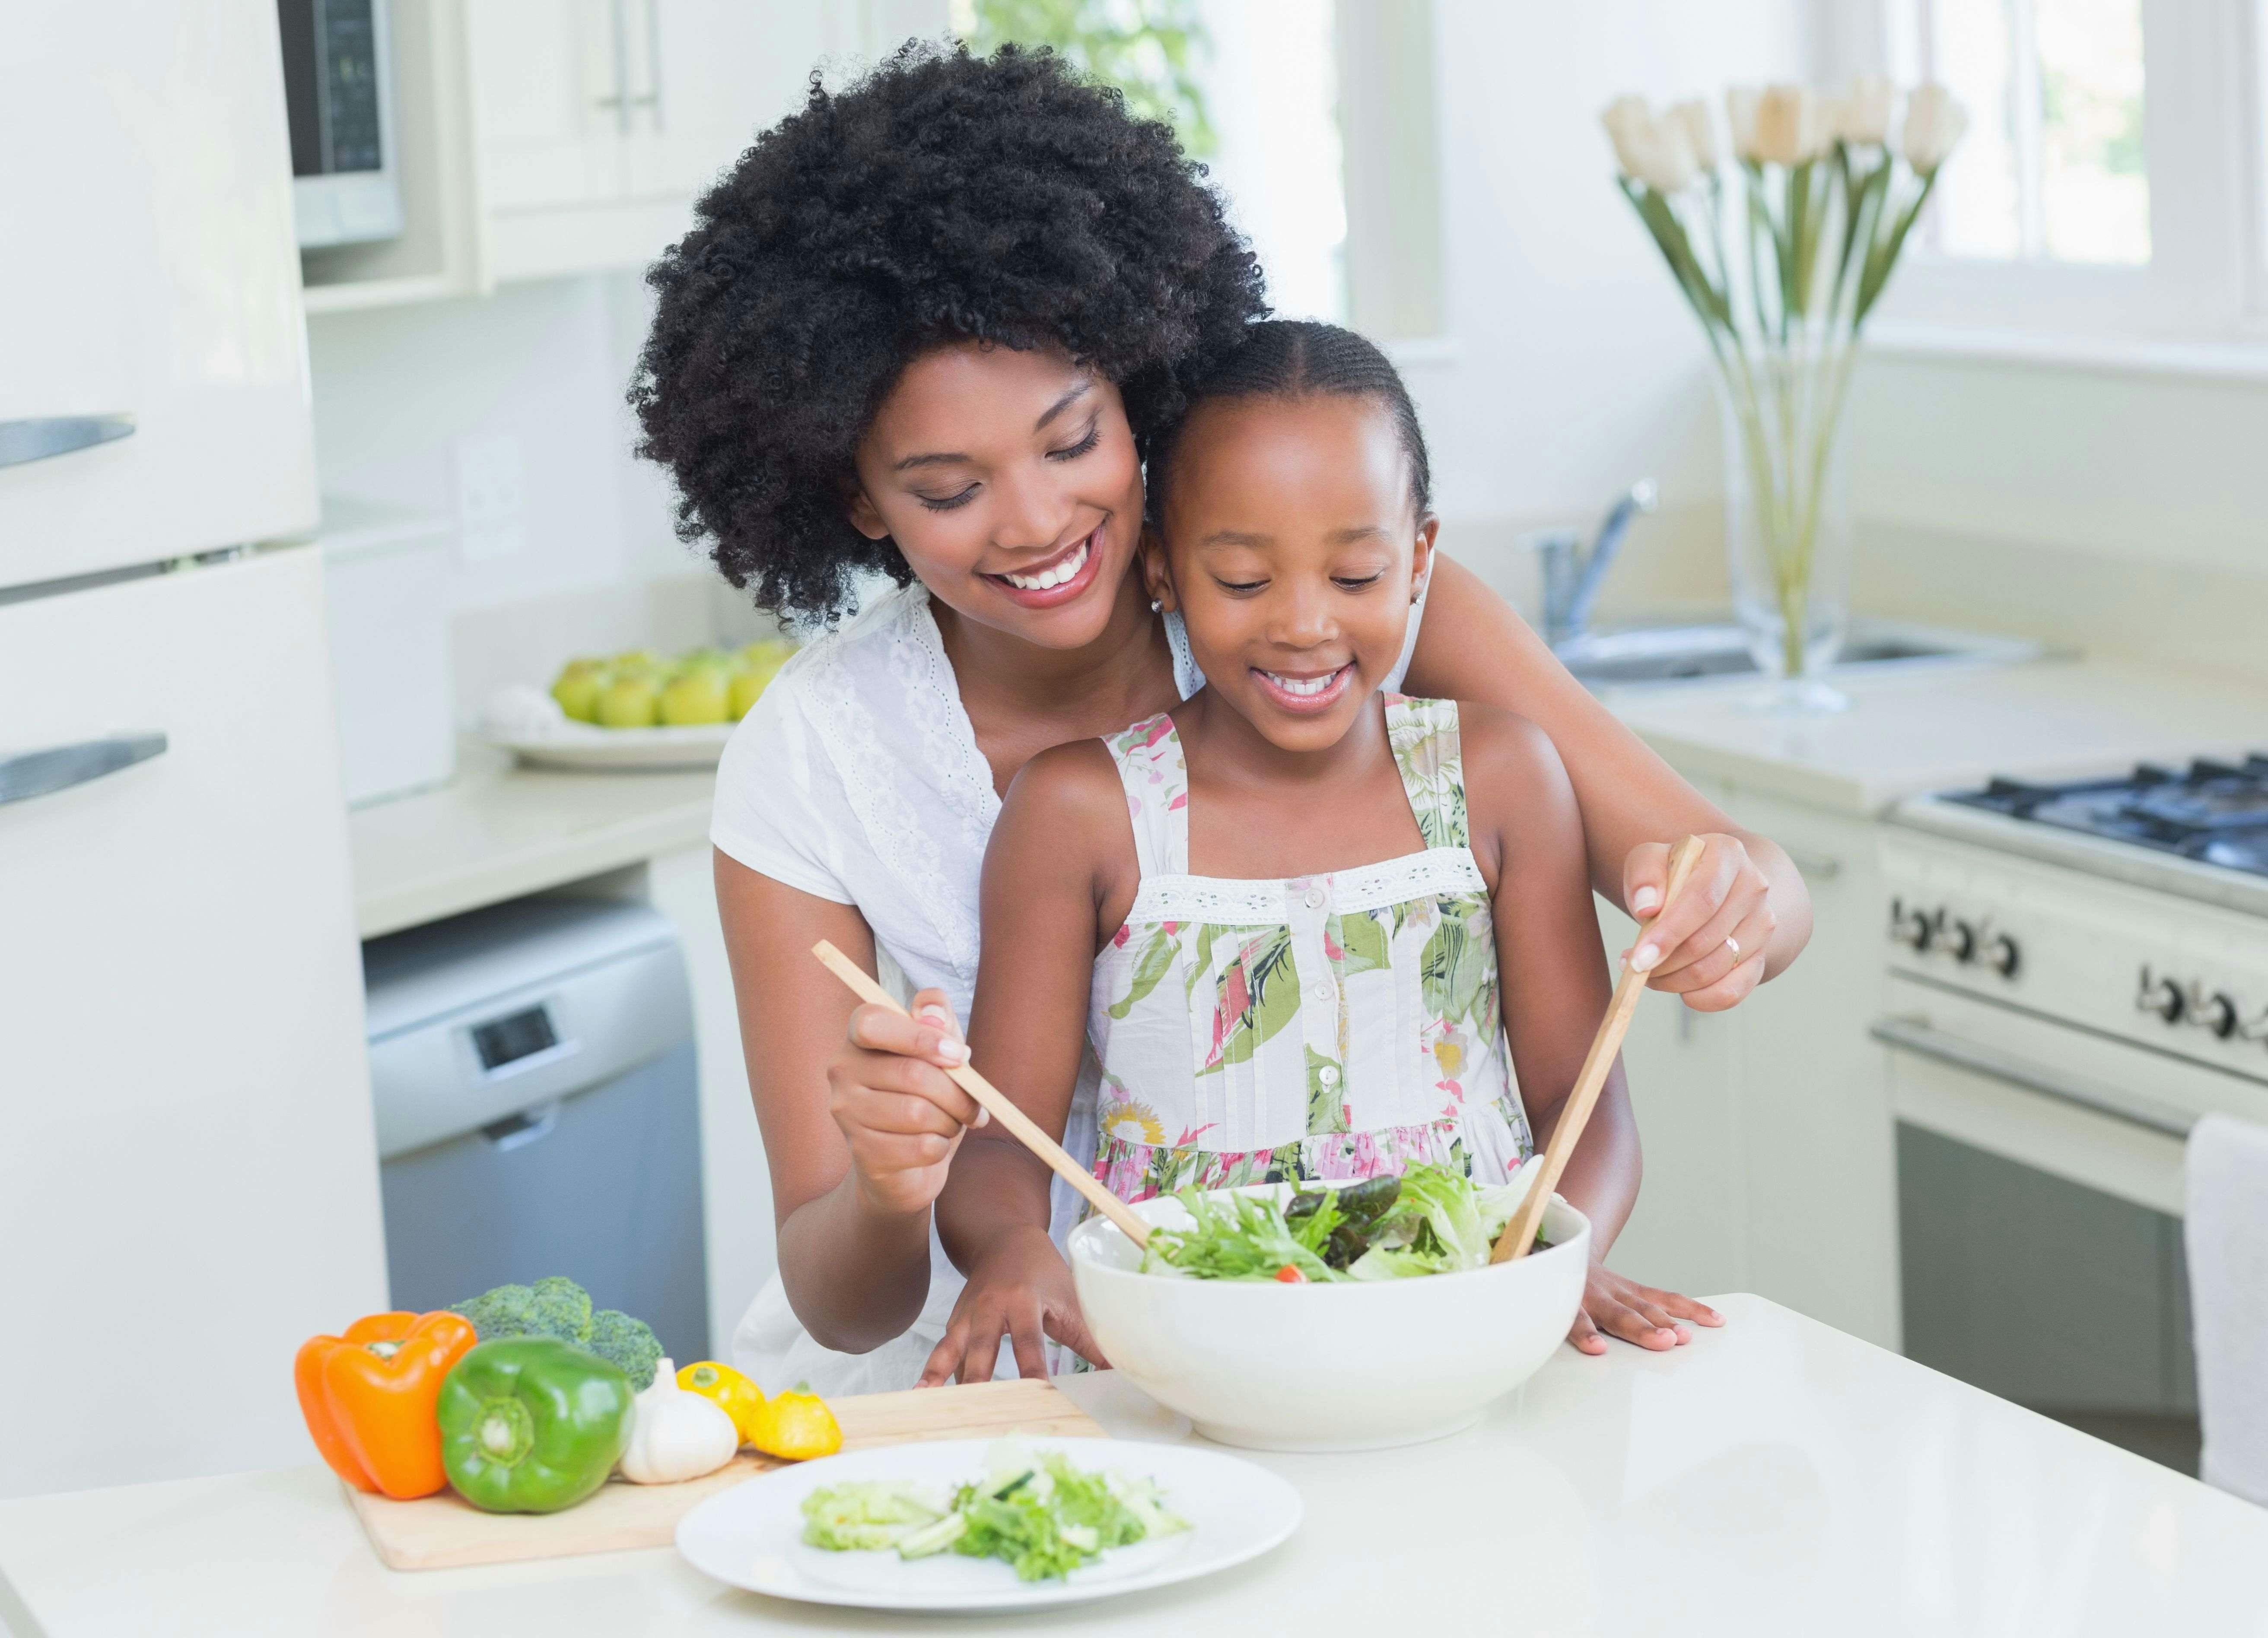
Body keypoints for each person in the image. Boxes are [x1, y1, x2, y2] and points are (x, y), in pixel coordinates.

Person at [631, 42, 1810, 1397]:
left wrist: (1735, 908)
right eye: (949, 488)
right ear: (854, 499)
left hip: (1371, 1343)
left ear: (1142, 388)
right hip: (994, 1384)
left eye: (1072, 442)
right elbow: (841, 1304)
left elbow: (1748, 892)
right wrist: (895, 1188)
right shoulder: (815, 755)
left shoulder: (1361, 618)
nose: (1033, 523)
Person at [930, 320, 1672, 1383]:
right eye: (1241, 581)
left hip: (1465, 1346)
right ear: (1162, 575)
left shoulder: (1503, 777)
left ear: (1418, 560)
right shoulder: (1081, 810)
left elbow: (1585, 1108)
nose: (1304, 626)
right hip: (1187, 1367)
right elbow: (1003, 1142)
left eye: (1357, 575)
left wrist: (1558, 1260)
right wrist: (1010, 1249)